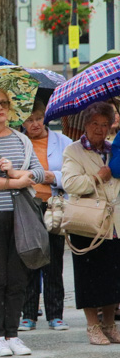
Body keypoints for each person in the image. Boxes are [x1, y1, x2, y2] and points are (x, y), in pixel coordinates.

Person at [0, 88, 45, 357]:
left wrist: (16, 172)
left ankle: (13, 333)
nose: (0, 108)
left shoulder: (21, 139)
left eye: (4, 103)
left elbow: (38, 172)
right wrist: (14, 182)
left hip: (22, 214)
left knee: (18, 275)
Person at [63, 102, 120, 345]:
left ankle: (109, 324)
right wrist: (99, 177)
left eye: (104, 124)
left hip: (114, 222)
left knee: (113, 276)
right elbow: (70, 184)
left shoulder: (113, 149)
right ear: (85, 125)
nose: (99, 129)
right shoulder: (73, 151)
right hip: (88, 221)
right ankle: (92, 326)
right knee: (89, 275)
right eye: (94, 124)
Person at [20, 101, 73, 332]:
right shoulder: (18, 142)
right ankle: (28, 314)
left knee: (53, 261)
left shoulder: (63, 142)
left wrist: (54, 177)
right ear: (22, 121)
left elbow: (72, 173)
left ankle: (55, 314)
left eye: (38, 118)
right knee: (29, 259)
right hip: (28, 205)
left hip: (53, 206)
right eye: (29, 120)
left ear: (46, 118)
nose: (34, 124)